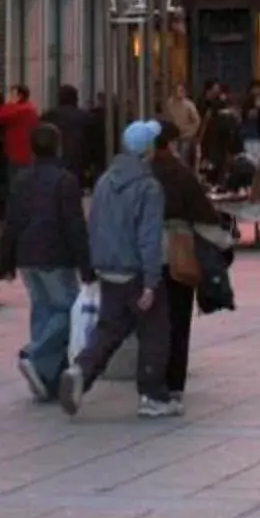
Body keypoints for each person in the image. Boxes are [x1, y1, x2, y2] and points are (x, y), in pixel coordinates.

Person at [60, 121, 175, 421]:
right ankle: (153, 395)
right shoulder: (149, 188)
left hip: (109, 268)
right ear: (148, 151)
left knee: (109, 328)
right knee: (154, 330)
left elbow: (94, 223)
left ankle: (81, 371)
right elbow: (149, 237)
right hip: (136, 270)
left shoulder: (105, 181)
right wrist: (151, 280)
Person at [4, 122, 90, 401]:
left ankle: (45, 376)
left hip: (27, 255)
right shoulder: (65, 180)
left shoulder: (21, 179)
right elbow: (74, 225)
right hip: (55, 255)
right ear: (58, 145)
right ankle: (35, 354)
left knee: (43, 310)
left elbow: (13, 220)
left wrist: (6, 256)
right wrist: (86, 263)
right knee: (67, 310)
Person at [148, 121, 230, 404]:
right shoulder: (180, 175)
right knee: (178, 319)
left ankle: (150, 382)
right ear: (170, 143)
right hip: (176, 252)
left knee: (150, 321)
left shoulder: (139, 174)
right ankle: (173, 385)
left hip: (142, 254)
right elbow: (204, 215)